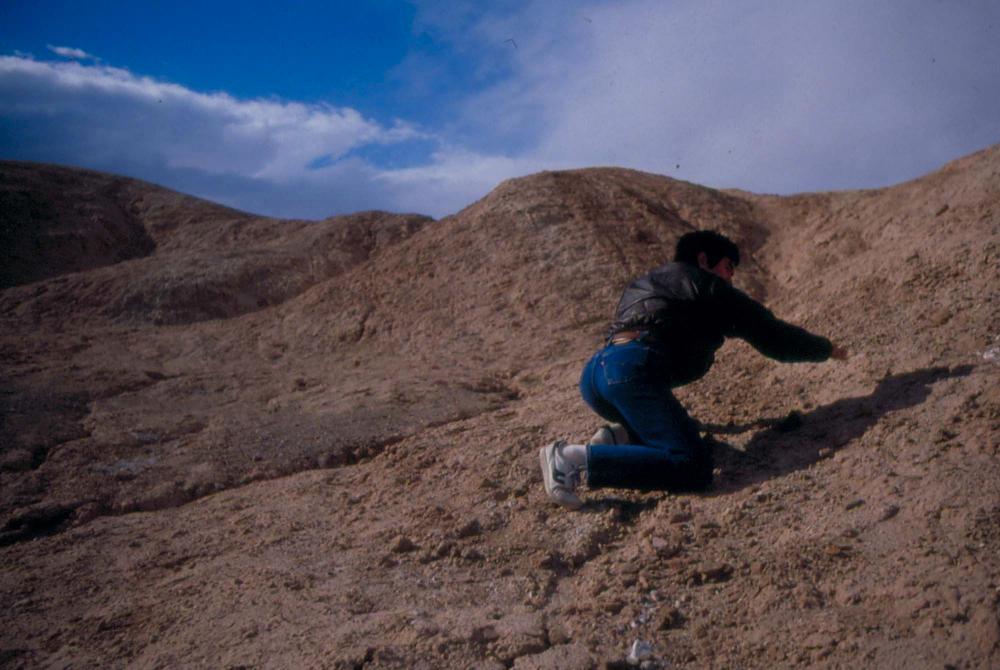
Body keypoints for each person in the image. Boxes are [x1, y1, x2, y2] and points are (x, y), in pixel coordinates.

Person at [540, 230, 847, 509]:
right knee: (692, 465)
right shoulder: (706, 286)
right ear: (703, 259)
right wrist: (825, 349)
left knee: (675, 431)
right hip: (631, 372)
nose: (730, 278)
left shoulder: (646, 283)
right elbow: (772, 336)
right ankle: (572, 459)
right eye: (728, 267)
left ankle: (621, 437)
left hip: (598, 375)